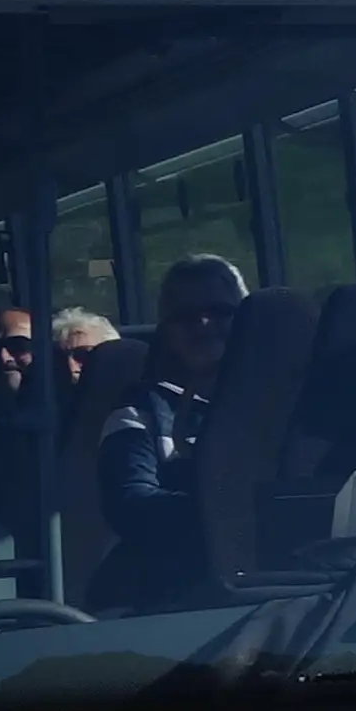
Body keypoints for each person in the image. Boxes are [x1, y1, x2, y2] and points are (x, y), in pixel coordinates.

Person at [97, 257, 245, 609]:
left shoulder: (285, 406)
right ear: (166, 329)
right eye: (185, 316)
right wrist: (229, 513)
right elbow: (131, 502)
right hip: (179, 601)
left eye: (220, 311)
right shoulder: (140, 411)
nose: (204, 324)